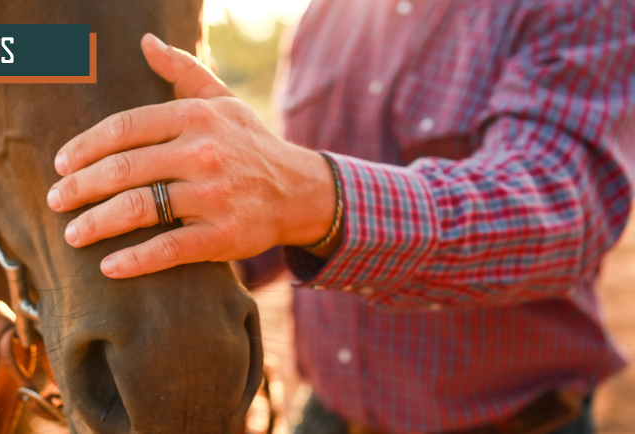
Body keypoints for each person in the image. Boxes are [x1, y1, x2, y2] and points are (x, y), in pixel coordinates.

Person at [45, 0, 635, 433]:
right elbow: (276, 233)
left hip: (514, 423)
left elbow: (559, 209)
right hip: (328, 416)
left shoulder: (575, 8)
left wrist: (301, 193)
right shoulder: (324, 19)